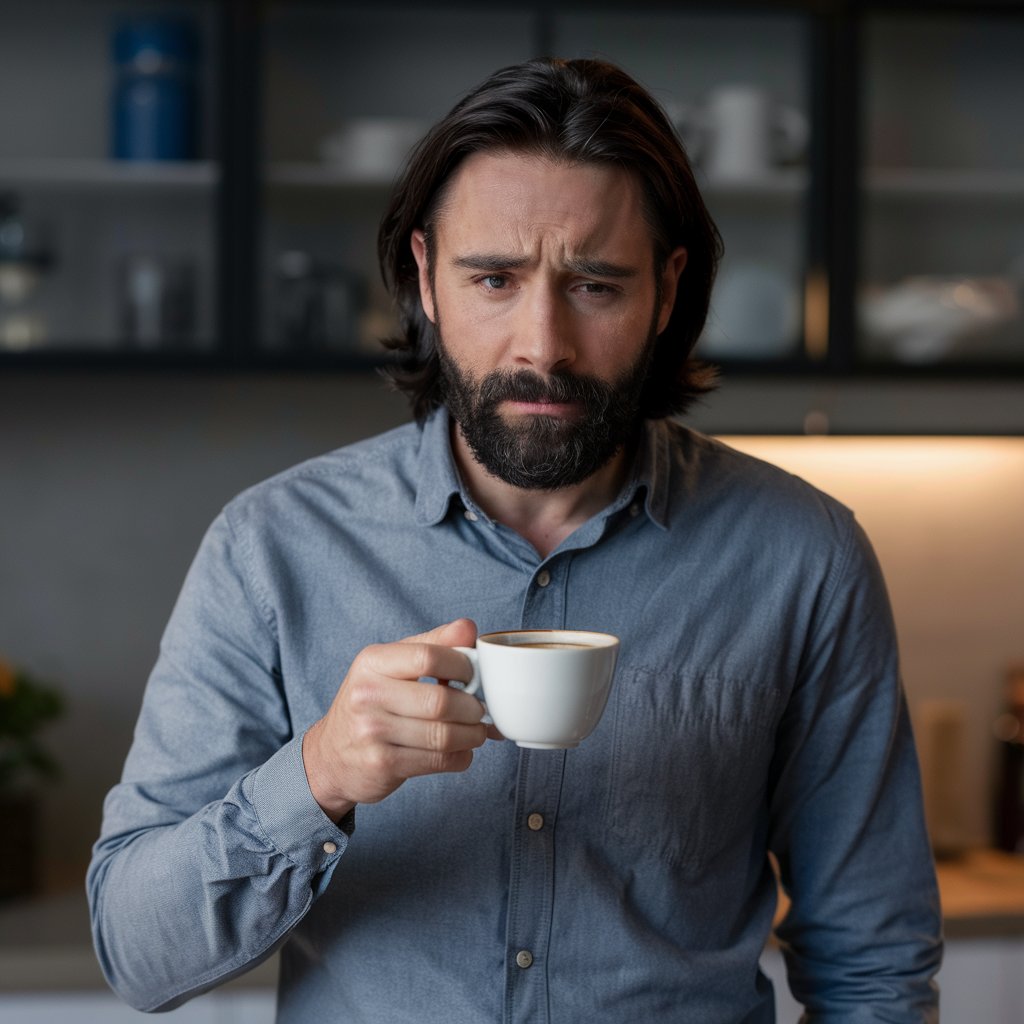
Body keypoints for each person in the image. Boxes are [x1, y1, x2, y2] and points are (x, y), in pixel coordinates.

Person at [88, 57, 942, 1021]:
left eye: (595, 285)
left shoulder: (804, 558)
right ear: (425, 278)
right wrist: (318, 774)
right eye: (494, 277)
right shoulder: (272, 548)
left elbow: (873, 962)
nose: (542, 344)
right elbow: (138, 952)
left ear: (667, 292)